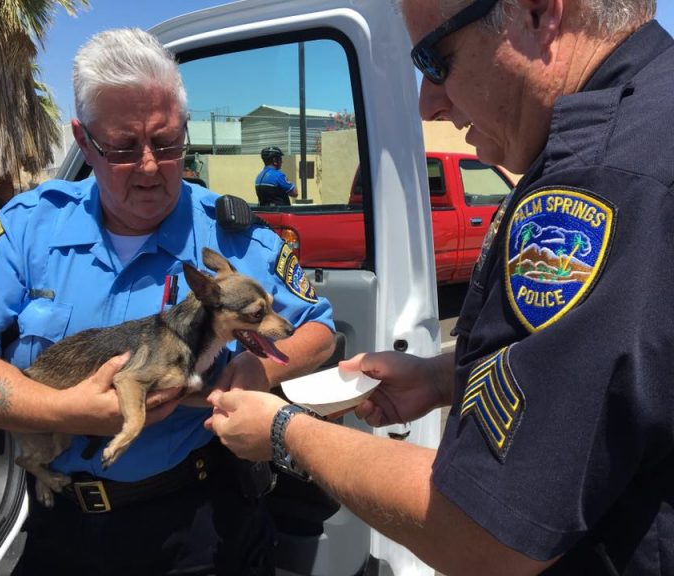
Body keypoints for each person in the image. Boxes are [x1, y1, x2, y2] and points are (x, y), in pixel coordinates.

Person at [207, 0, 674, 574]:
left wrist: (283, 432)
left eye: (434, 60)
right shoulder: (650, 122)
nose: (429, 103)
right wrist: (441, 377)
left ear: (538, 13)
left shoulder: (601, 180)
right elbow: (622, 373)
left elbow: (487, 530)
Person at [0, 28, 335, 576]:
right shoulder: (29, 228)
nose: (150, 167)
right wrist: (62, 411)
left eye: (166, 143)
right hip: (61, 527)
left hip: (200, 523)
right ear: (83, 142)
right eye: (121, 148)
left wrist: (255, 370)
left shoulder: (235, 240)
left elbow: (318, 329)